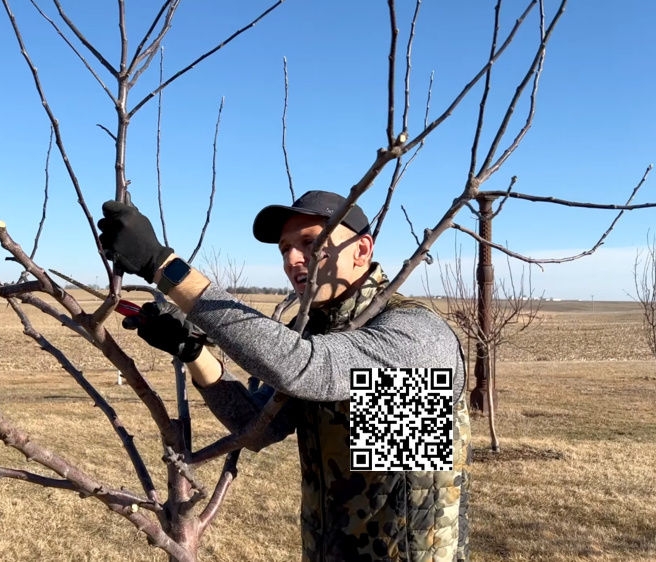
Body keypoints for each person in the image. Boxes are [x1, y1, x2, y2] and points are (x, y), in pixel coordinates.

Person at [98, 190, 471, 562]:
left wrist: (164, 267)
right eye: (284, 249)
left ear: (361, 250)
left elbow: (307, 367)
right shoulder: (317, 332)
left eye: (311, 243)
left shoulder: (413, 333)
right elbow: (259, 426)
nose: (292, 259)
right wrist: (192, 352)